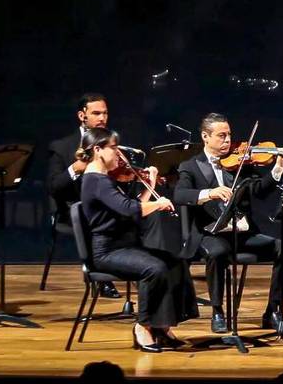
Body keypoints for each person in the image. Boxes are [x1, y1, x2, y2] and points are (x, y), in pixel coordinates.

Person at [173, 113, 283, 332]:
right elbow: (180, 195)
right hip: (209, 234)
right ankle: (218, 312)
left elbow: (260, 191)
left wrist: (278, 167)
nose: (228, 140)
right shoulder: (190, 166)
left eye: (229, 135)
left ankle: (273, 311)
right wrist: (210, 193)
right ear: (205, 137)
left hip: (242, 234)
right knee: (218, 252)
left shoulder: (241, 164)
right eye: (221, 136)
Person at [78, 127, 195, 351]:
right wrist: (158, 203)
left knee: (175, 262)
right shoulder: (95, 181)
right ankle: (143, 325)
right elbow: (129, 208)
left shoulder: (104, 179)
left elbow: (132, 209)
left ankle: (161, 325)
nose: (119, 154)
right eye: (113, 148)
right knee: (154, 268)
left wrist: (149, 184)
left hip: (125, 246)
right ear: (97, 150)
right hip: (107, 252)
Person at [45, 92, 120, 298]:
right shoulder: (61, 147)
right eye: (96, 113)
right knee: (97, 217)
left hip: (105, 204)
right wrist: (76, 169)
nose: (102, 118)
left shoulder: (111, 144)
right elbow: (54, 187)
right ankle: (102, 276)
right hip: (72, 208)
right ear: (82, 115)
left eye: (105, 113)